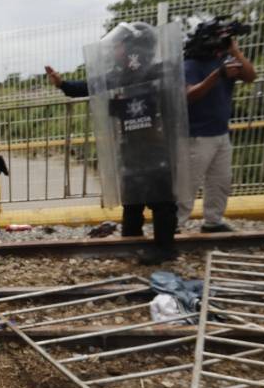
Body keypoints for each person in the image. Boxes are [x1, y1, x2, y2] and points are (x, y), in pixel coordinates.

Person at [45, 22, 181, 265]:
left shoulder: (159, 73)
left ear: (134, 49)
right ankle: (131, 242)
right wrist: (63, 84)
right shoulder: (120, 76)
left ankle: (165, 248)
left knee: (162, 201)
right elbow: (91, 86)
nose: (115, 51)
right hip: (130, 146)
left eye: (120, 46)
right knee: (133, 200)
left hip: (156, 146)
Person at [179, 24, 256, 232]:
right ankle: (175, 223)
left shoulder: (227, 61)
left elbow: (250, 76)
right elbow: (190, 95)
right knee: (188, 184)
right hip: (196, 135)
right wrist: (217, 74)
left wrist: (236, 51)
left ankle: (213, 221)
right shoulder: (190, 65)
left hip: (221, 132)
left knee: (220, 181)